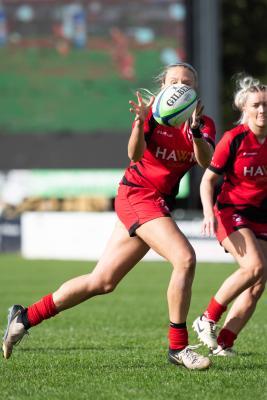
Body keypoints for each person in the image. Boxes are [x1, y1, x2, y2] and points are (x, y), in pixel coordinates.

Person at [3, 62, 216, 370]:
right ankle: (178, 348)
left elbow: (204, 160)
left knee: (102, 281)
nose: (181, 86)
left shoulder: (201, 122)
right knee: (185, 258)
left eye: (188, 83)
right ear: (163, 86)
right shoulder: (152, 115)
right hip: (137, 195)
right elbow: (134, 155)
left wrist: (195, 130)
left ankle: (24, 318)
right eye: (175, 81)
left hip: (156, 202)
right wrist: (140, 124)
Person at [193, 75, 267, 356]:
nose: (262, 110)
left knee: (257, 285)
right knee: (254, 267)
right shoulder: (233, 139)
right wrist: (207, 213)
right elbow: (207, 181)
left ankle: (224, 344)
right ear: (244, 110)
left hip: (261, 216)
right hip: (231, 213)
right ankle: (207, 318)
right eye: (256, 105)